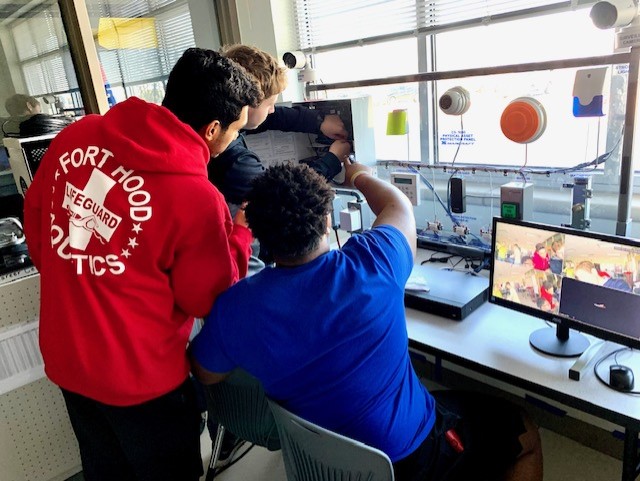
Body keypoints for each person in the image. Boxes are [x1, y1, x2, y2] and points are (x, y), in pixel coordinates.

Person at [190, 161, 543, 481]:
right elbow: (397, 206)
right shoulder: (373, 263)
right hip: (410, 457)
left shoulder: (235, 308)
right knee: (523, 429)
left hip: (322, 464)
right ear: (327, 220)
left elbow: (206, 372)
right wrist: (358, 175)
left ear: (259, 234)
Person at [23, 47, 261, 481]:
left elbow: (41, 239)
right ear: (211, 130)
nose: (233, 140)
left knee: (105, 471)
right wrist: (240, 233)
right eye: (235, 130)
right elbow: (208, 298)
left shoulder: (74, 137)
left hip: (68, 359)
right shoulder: (196, 197)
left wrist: (91, 267)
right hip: (142, 380)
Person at [210, 44, 351, 219]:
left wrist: (319, 122)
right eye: (270, 104)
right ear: (248, 104)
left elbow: (271, 118)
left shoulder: (220, 117)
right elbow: (285, 195)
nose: (272, 110)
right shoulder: (236, 163)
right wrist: (332, 160)